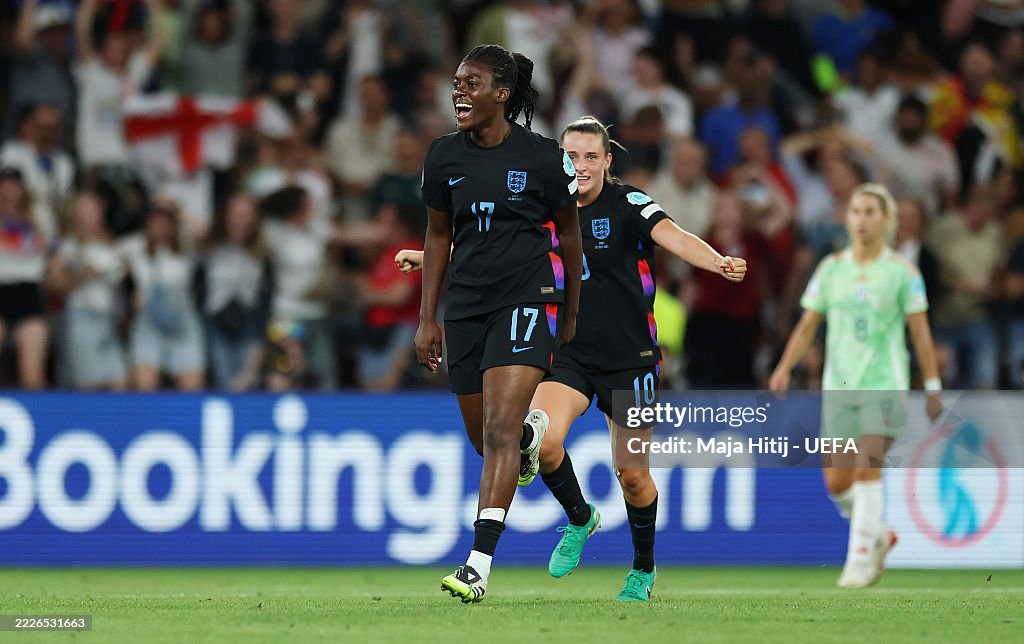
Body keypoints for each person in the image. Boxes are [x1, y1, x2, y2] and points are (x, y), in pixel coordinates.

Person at [397, 115, 746, 601]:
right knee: (540, 441)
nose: (579, 166)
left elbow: (678, 237)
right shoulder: (543, 203)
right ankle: (580, 519)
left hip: (633, 360)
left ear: (606, 161)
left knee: (633, 476)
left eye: (589, 156)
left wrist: (719, 261)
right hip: (568, 355)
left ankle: (642, 570)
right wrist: (425, 253)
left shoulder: (628, 203)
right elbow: (494, 244)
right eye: (570, 156)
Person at [416, 44, 582, 604]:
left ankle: (478, 563)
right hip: (465, 308)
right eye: (457, 82)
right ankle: (530, 441)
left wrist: (571, 312)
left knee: (499, 432)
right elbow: (439, 236)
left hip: (526, 298)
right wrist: (427, 320)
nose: (459, 91)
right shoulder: (442, 157)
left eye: (472, 82)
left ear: (502, 94)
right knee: (484, 437)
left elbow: (570, 235)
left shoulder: (541, 157)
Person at [769, 183, 943, 588]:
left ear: (886, 220)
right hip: (840, 387)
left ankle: (859, 562)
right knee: (837, 483)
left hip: (885, 384)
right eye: (855, 211)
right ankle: (879, 535)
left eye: (870, 212)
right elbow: (808, 324)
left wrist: (933, 386)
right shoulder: (831, 268)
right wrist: (784, 367)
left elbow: (921, 335)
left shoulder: (903, 272)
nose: (861, 220)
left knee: (867, 470)